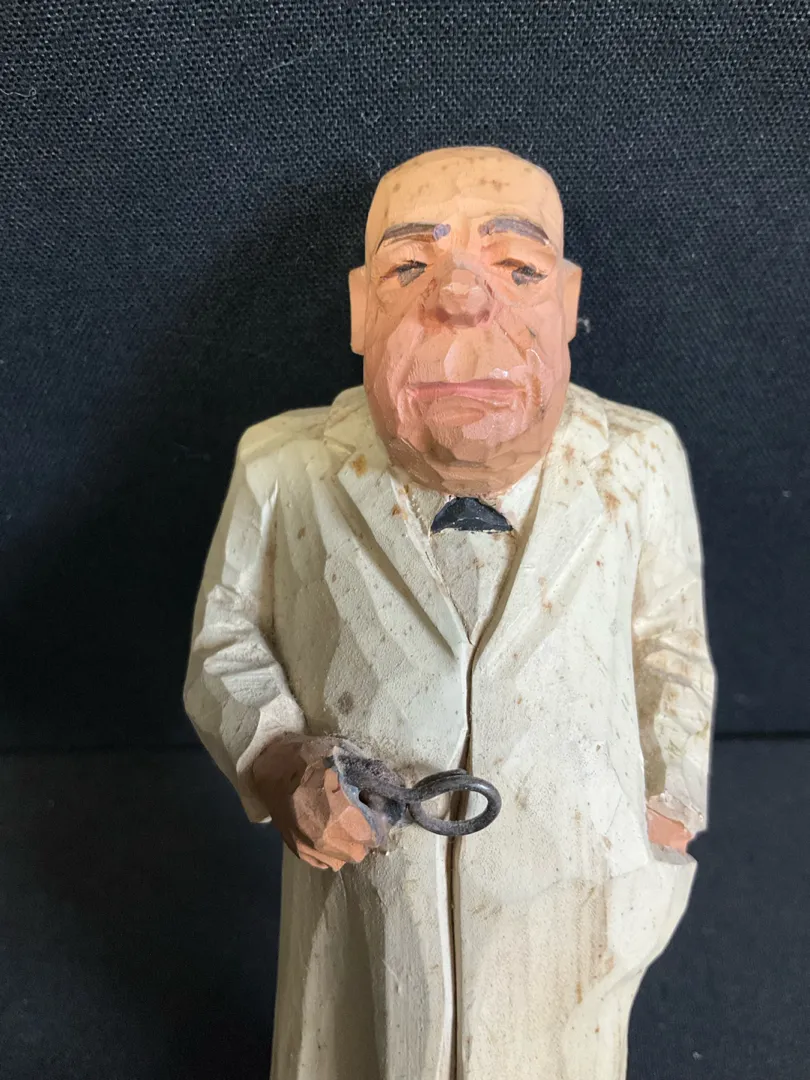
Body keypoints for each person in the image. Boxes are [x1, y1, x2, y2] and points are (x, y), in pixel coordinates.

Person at [184, 146, 715, 1080]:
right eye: (410, 266)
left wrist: (665, 810)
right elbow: (224, 643)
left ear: (567, 300)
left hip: (570, 898)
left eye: (518, 267)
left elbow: (670, 646)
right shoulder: (282, 468)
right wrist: (281, 764)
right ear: (361, 309)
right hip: (368, 891)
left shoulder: (637, 461)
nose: (462, 299)